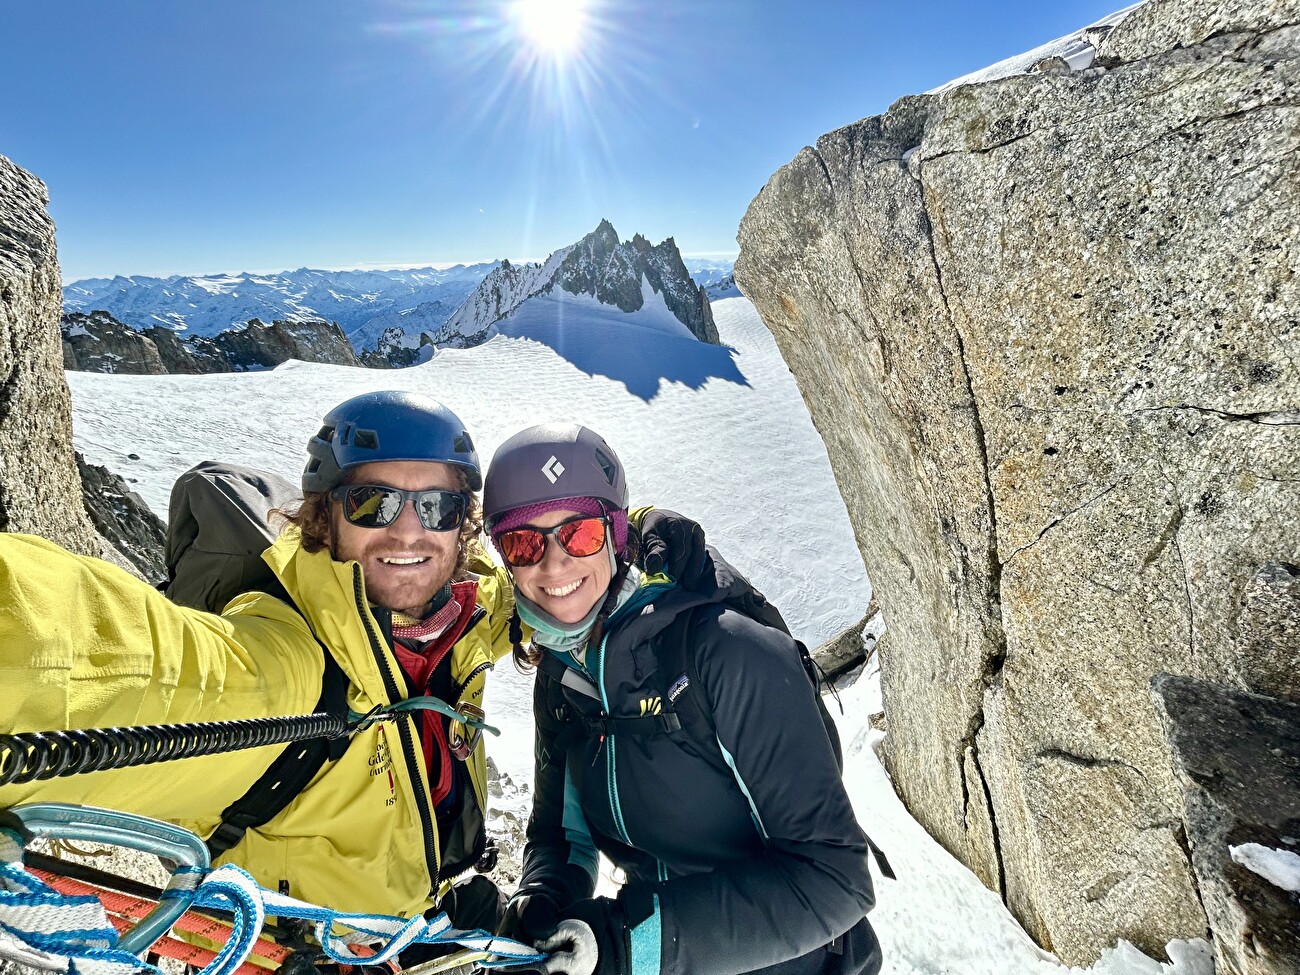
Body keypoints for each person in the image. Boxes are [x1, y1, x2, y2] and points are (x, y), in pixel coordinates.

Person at [0, 390, 699, 934]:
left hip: (415, 921)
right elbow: (99, 657)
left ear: (465, 524)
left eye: (436, 504)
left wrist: (633, 534)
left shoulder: (465, 608)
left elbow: (542, 580)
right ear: (323, 518)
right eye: (373, 502)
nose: (407, 530)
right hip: (302, 949)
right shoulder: (285, 670)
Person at [484, 423, 881, 975]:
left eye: (579, 535)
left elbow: (835, 879)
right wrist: (542, 902)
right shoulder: (563, 674)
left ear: (617, 533)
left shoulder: (728, 654)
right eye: (524, 542)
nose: (554, 565)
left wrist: (630, 944)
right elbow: (563, 835)